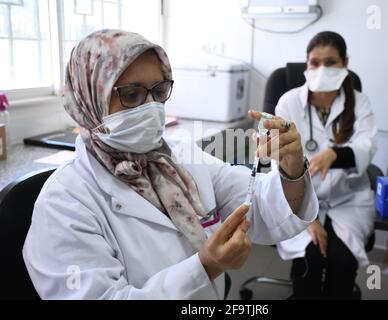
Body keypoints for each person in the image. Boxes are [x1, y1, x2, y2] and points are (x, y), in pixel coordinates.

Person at [22, 29, 318, 300]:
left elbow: (259, 208)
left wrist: (292, 169)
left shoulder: (180, 157)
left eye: (159, 91)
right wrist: (205, 267)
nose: (151, 107)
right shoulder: (64, 202)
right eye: (131, 94)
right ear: (89, 99)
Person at [276, 31, 377, 300]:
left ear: (345, 63)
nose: (322, 69)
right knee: (310, 259)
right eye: (315, 62)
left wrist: (334, 154)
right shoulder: (288, 103)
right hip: (298, 202)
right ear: (307, 65)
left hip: (348, 199)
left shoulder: (360, 103)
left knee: (342, 261)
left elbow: (367, 146)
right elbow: (276, 164)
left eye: (330, 62)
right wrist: (308, 219)